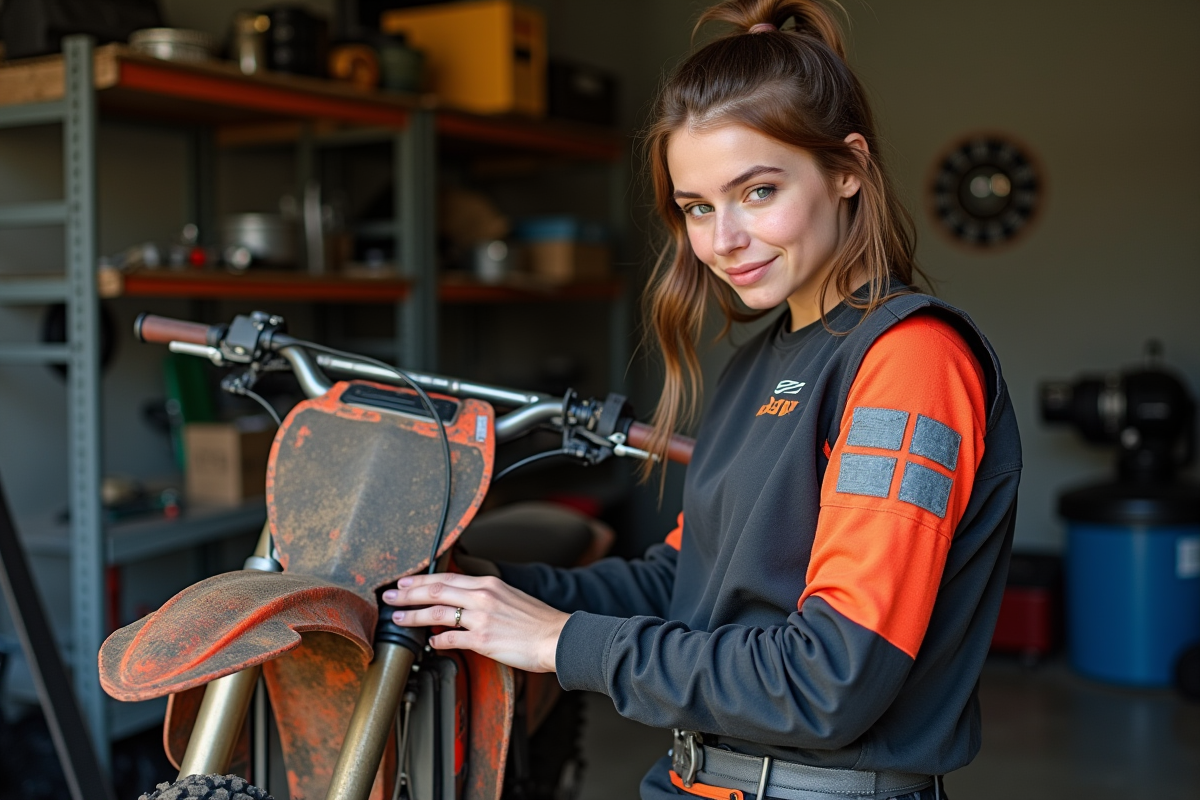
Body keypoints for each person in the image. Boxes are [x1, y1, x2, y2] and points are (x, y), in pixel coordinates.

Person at [383, 1, 1022, 798]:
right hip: (698, 778)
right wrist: (482, 592)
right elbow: (680, 586)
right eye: (697, 207)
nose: (723, 240)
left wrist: (565, 642)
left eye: (757, 192)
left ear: (848, 168)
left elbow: (830, 683)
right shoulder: (760, 362)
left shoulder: (909, 362)